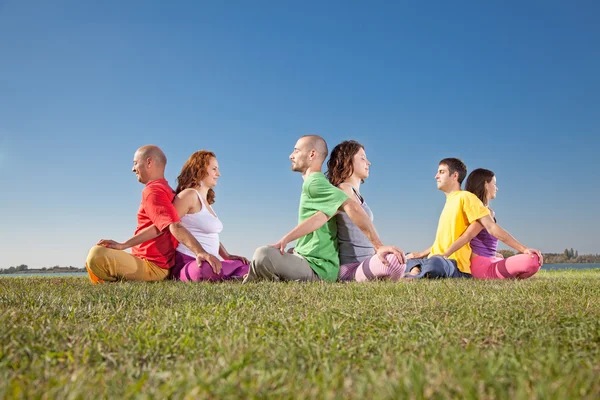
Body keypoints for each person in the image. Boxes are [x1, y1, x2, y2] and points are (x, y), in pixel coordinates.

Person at [244, 135, 405, 283]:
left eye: (296, 151)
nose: (291, 155)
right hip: (343, 267)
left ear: (312, 154)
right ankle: (258, 277)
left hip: (323, 267)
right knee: (263, 254)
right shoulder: (334, 187)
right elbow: (322, 217)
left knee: (263, 255)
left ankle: (259, 277)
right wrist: (288, 241)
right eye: (363, 158)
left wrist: (378, 246)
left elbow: (336, 211)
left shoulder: (317, 182)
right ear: (348, 162)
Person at [85, 145, 216, 283]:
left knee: (96, 255)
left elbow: (174, 226)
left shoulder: (153, 191)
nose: (133, 169)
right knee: (101, 252)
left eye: (135, 163)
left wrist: (123, 245)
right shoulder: (169, 191)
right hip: (152, 263)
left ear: (149, 162)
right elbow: (160, 228)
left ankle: (107, 281)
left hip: (153, 266)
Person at [405, 158, 542, 279]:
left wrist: (523, 249)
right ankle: (417, 269)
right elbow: (447, 240)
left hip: (454, 263)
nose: (436, 176)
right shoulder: (449, 203)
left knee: (436, 263)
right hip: (444, 258)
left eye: (441, 172)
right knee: (407, 256)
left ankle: (416, 274)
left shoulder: (466, 197)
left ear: (455, 176)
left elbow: (486, 229)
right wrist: (420, 253)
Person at [439, 168, 543, 279]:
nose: (497, 188)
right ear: (485, 184)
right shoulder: (481, 214)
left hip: (488, 260)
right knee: (533, 259)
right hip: (481, 267)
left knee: (503, 257)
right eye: (494, 183)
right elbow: (466, 236)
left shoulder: (484, 212)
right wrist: (524, 249)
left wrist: (494, 254)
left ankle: (510, 274)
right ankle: (512, 276)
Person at [326, 140, 405, 281]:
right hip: (351, 268)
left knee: (399, 256)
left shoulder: (356, 194)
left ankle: (383, 274)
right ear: (347, 161)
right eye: (362, 158)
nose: (368, 163)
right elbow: (318, 220)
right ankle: (384, 275)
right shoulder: (344, 189)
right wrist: (380, 246)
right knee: (395, 261)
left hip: (366, 263)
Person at [170, 150, 250, 281]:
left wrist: (227, 256)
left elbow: (211, 236)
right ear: (199, 169)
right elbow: (173, 225)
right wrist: (200, 252)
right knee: (205, 269)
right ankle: (231, 278)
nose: (218, 174)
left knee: (245, 264)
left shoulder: (207, 202)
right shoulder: (188, 195)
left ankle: (230, 277)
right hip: (190, 262)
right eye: (214, 169)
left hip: (211, 260)